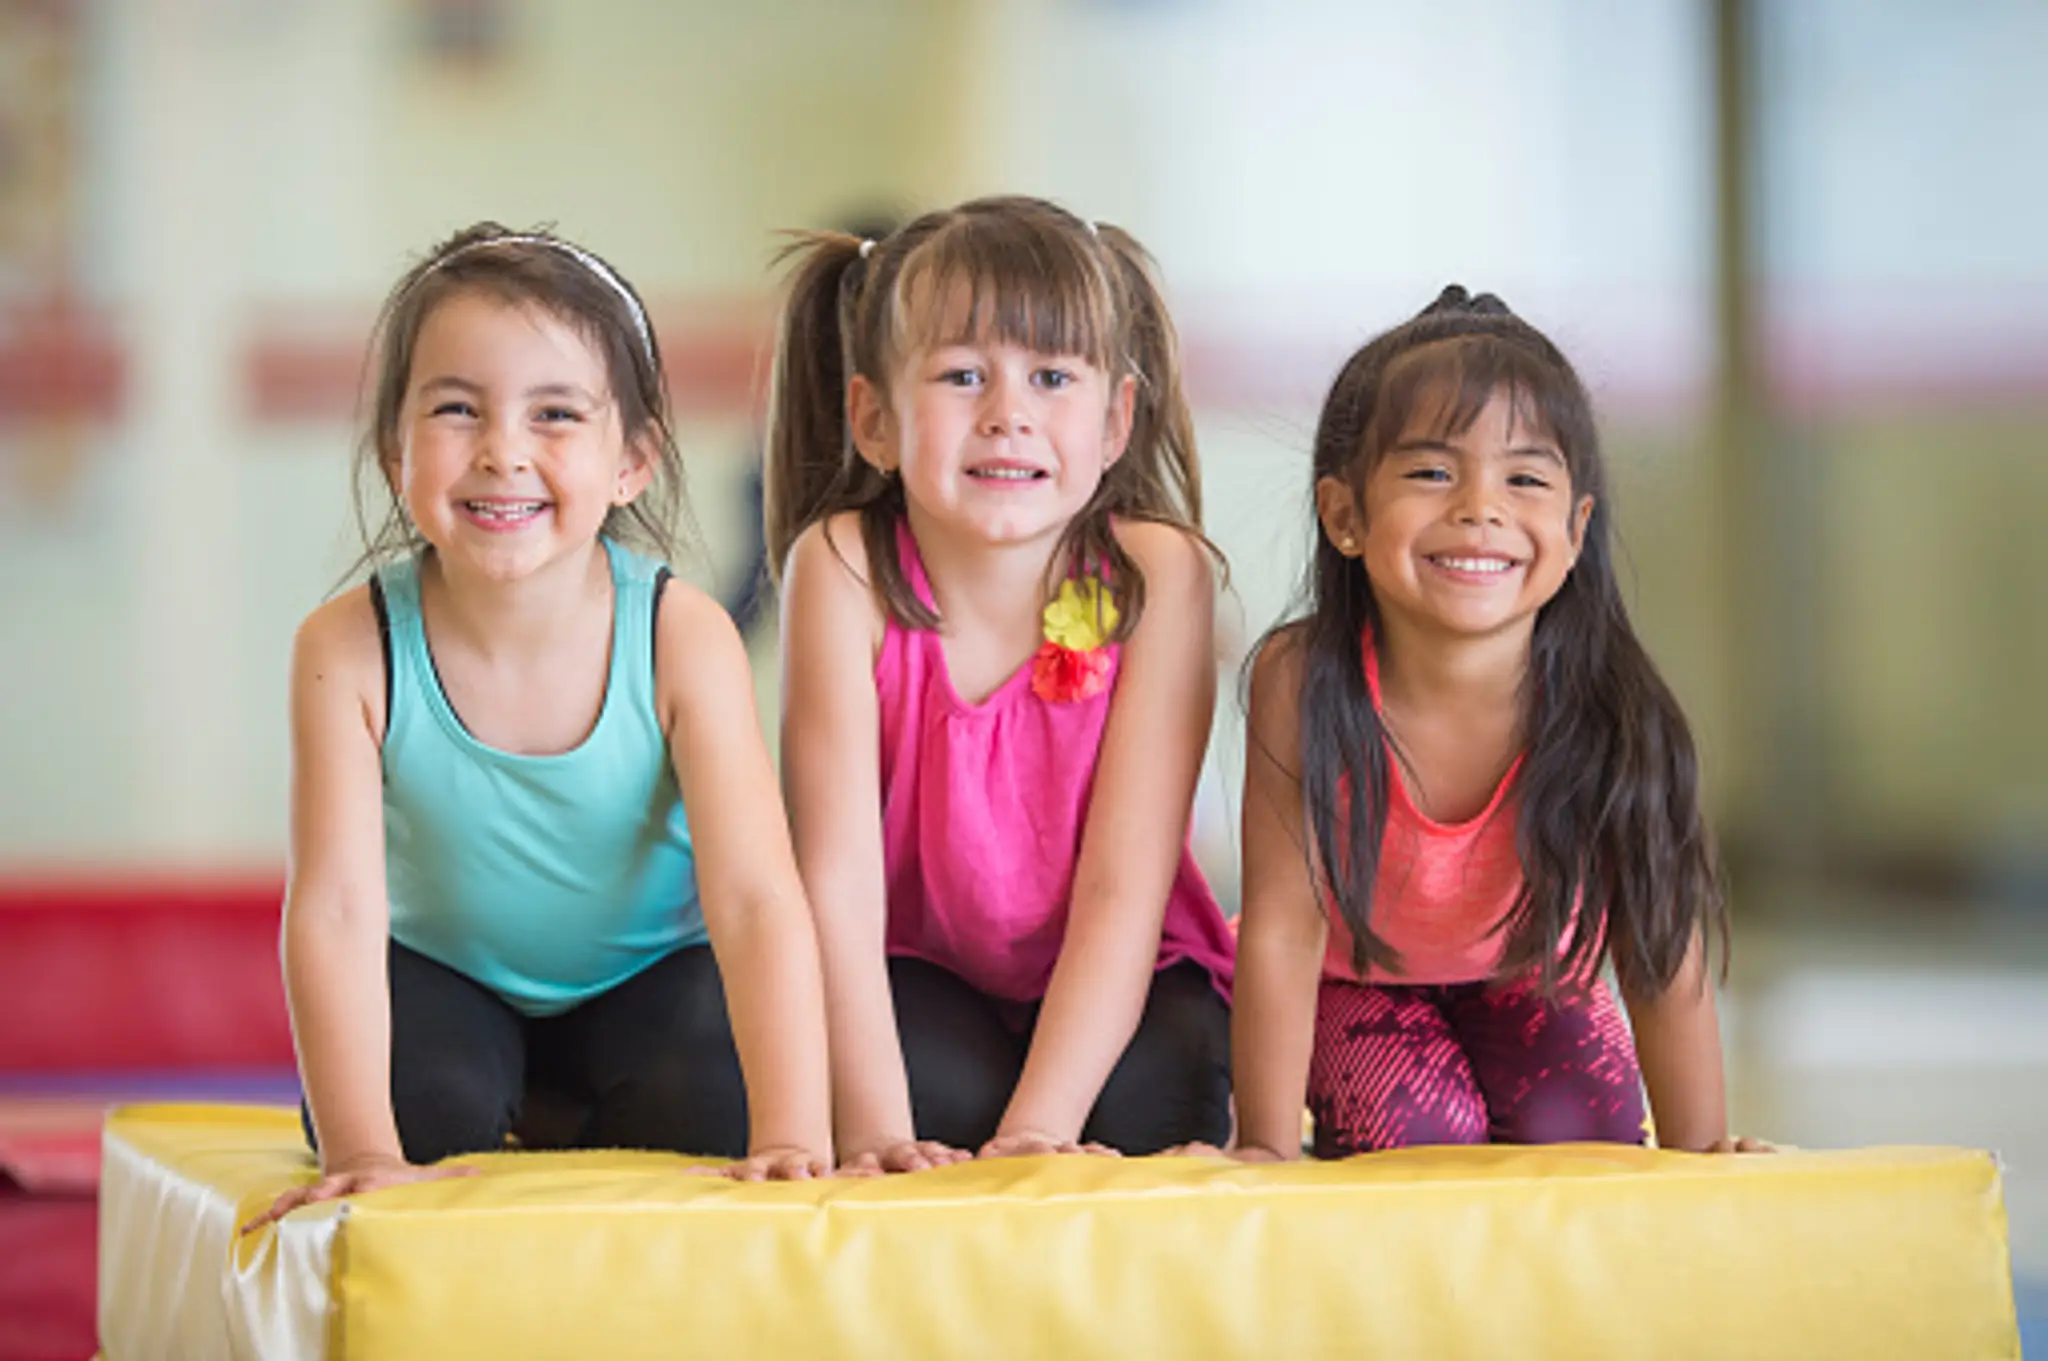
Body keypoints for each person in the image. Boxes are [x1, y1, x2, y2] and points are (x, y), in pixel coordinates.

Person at [251, 223, 834, 1231]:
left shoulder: (680, 635)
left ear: (633, 459)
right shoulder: (346, 647)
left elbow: (751, 896)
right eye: (456, 409)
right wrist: (361, 1150)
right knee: (414, 1108)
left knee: (713, 1100)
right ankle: (516, 1094)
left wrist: (794, 1135)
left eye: (554, 413)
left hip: (646, 974)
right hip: (447, 975)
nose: (501, 451)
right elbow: (338, 908)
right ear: (396, 446)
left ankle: (565, 1100)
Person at [1225, 286, 1765, 1159]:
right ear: (1345, 515)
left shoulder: (1612, 700)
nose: (1481, 507)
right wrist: (1262, 1147)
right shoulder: (1306, 679)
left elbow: (1658, 947)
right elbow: (1286, 926)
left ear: (1576, 525)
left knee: (1585, 1139)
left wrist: (1701, 1157)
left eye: (1524, 477)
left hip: (1529, 973)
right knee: (1415, 1136)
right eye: (1433, 471)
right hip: (1349, 982)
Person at [767, 196, 1237, 1172]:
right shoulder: (843, 566)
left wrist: (1038, 1130)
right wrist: (876, 1135)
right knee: (932, 1098)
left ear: (1114, 420)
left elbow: (1121, 887)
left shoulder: (1159, 575)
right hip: (921, 967)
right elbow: (838, 887)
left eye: (1051, 377)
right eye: (962, 375)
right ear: (874, 419)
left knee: (1159, 1095)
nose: (1007, 414)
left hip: (1127, 967)